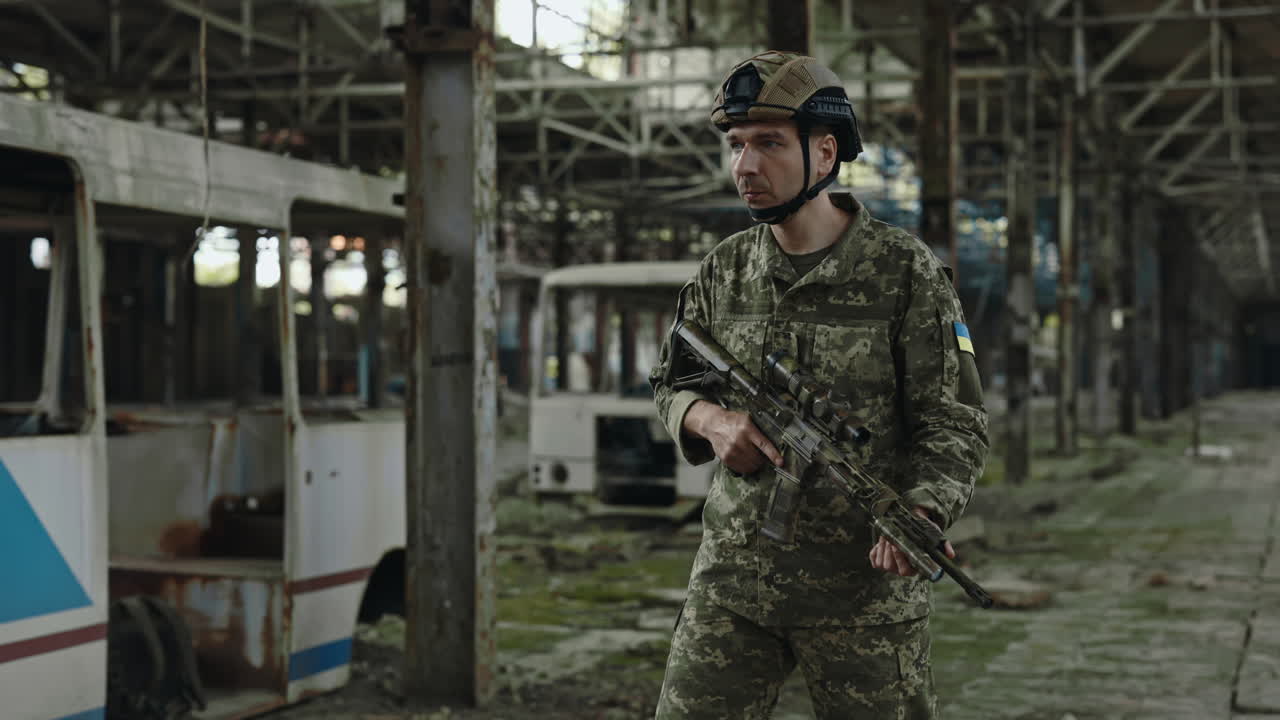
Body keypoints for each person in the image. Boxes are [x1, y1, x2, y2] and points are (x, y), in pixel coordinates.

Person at [648, 51, 989, 719]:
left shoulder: (905, 272)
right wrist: (712, 422)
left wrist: (922, 512)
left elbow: (954, 419)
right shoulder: (723, 271)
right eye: (737, 144)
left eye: (769, 143)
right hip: (734, 583)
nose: (745, 166)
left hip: (864, 594)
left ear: (825, 152)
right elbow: (670, 382)